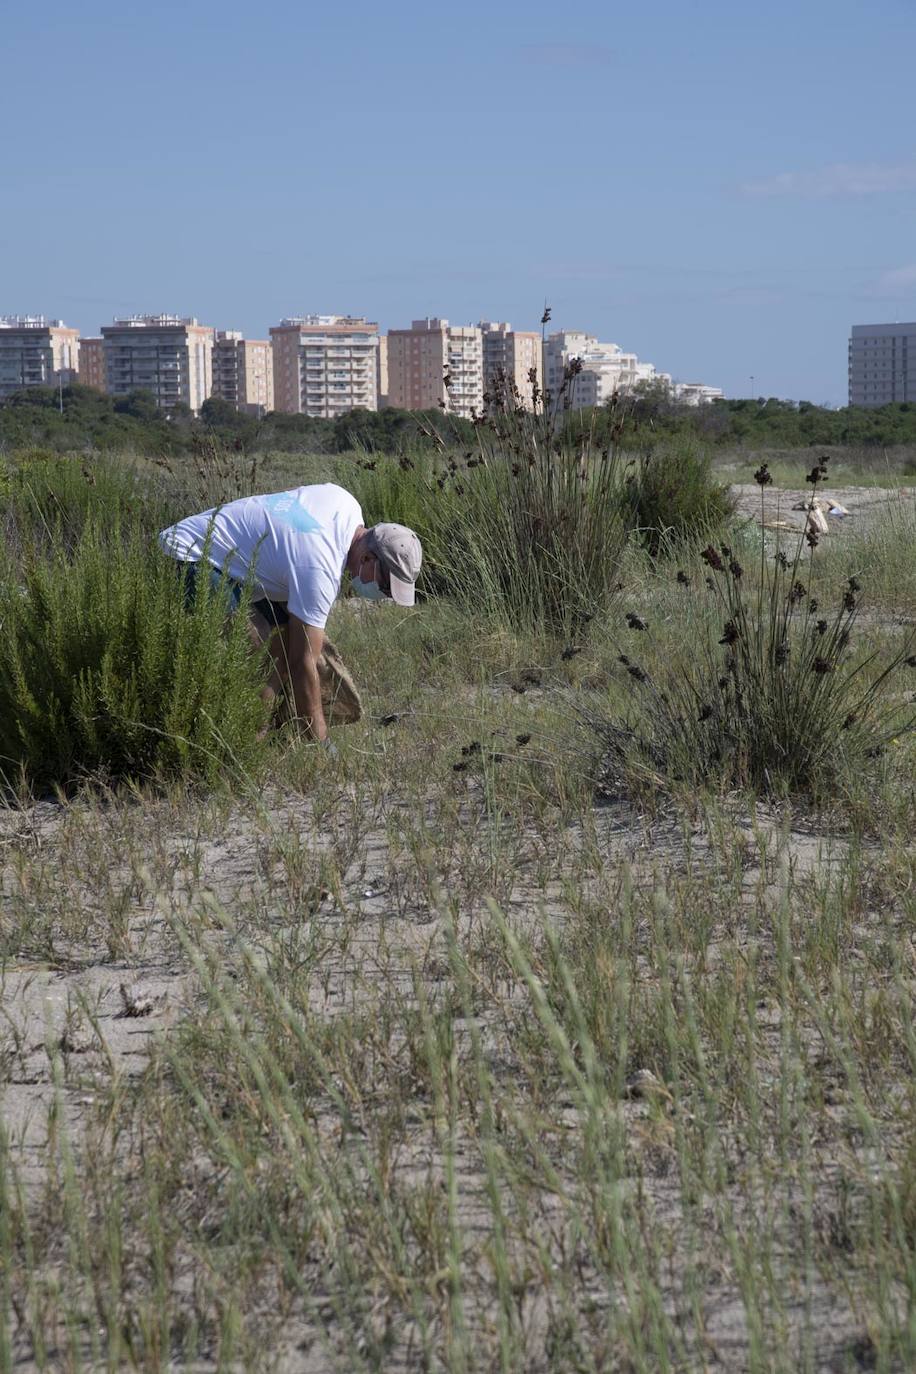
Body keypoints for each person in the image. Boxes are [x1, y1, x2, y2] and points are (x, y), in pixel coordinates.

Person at [159, 482, 422, 742]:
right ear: (367, 558)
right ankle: (245, 743)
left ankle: (266, 730)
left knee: (283, 645)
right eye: (385, 586)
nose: (383, 595)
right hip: (187, 554)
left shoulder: (346, 504)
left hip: (237, 564)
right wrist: (320, 742)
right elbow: (302, 663)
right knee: (260, 646)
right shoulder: (320, 568)